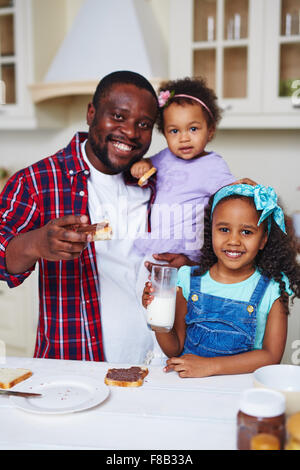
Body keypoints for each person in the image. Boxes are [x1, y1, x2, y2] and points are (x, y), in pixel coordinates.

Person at [0, 70, 190, 364]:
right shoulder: (38, 181)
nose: (130, 132)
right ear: (91, 113)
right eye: (117, 116)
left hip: (161, 365)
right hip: (78, 370)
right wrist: (36, 244)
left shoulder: (157, 180)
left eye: (143, 124)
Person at [142, 184, 300, 377]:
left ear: (263, 239)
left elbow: (271, 356)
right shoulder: (187, 279)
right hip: (189, 390)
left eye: (247, 232)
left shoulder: (273, 288)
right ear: (211, 232)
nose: (233, 240)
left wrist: (210, 366)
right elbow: (174, 349)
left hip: (240, 392)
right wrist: (157, 316)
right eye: (224, 229)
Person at [130, 77, 236, 265]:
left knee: (180, 292)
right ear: (164, 133)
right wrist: (142, 164)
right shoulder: (164, 157)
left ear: (210, 130)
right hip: (157, 242)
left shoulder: (212, 165)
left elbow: (232, 197)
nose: (184, 138)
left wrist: (243, 188)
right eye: (174, 131)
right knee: (148, 291)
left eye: (193, 129)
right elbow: (146, 164)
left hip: (186, 248)